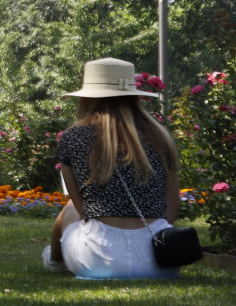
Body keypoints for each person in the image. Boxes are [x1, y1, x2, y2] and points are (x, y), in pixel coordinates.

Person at [44, 57, 182, 279]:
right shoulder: (161, 138)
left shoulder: (72, 138)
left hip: (98, 259)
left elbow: (83, 211)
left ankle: (54, 261)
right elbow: (171, 210)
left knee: (69, 208)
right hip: (161, 259)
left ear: (88, 97)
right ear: (134, 97)